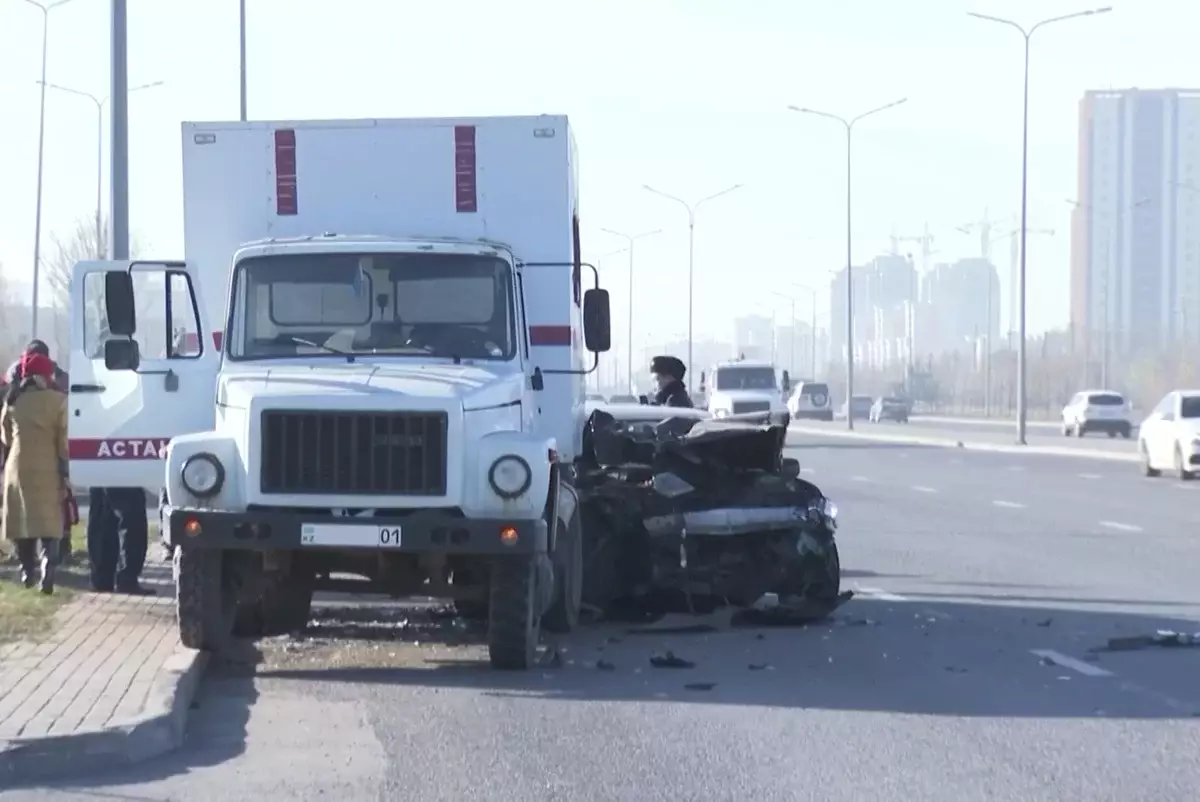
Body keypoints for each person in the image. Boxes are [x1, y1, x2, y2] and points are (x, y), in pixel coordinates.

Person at [1, 352, 68, 594]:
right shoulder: (59, 401)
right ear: (44, 374)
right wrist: (66, 467)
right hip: (47, 467)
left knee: (22, 522)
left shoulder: (13, 399)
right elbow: (63, 442)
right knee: (48, 521)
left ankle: (26, 570)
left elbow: (5, 436)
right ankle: (48, 565)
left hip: (16, 468)